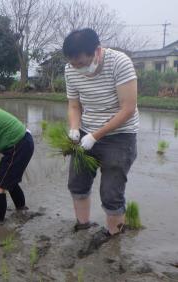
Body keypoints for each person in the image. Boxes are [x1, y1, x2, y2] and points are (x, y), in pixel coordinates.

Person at [62, 28, 138, 249]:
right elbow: (74, 105)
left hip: (119, 136)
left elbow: (128, 109)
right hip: (86, 132)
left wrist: (96, 136)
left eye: (82, 63)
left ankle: (113, 237)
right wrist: (75, 129)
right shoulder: (70, 69)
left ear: (97, 51)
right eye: (74, 64)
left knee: (111, 192)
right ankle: (82, 225)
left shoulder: (119, 63)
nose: (79, 68)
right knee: (77, 183)